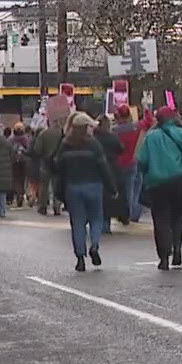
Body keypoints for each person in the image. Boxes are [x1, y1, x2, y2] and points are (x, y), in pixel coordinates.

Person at [48, 113, 119, 271]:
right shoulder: (94, 144)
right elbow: (103, 168)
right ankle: (94, 245)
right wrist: (112, 188)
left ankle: (80, 257)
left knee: (78, 222)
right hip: (94, 186)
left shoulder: (65, 144)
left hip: (73, 187)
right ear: (85, 128)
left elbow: (57, 166)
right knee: (96, 219)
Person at [136, 106, 182, 269]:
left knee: (161, 219)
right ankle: (177, 250)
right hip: (180, 181)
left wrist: (146, 174)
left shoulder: (151, 137)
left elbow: (142, 160)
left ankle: (164, 256)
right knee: (178, 217)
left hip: (157, 184)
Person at [31, 118, 64, 215]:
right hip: (58, 163)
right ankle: (57, 207)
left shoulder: (43, 134)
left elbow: (37, 149)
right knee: (56, 185)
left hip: (45, 162)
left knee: (44, 186)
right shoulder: (62, 134)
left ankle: (43, 206)